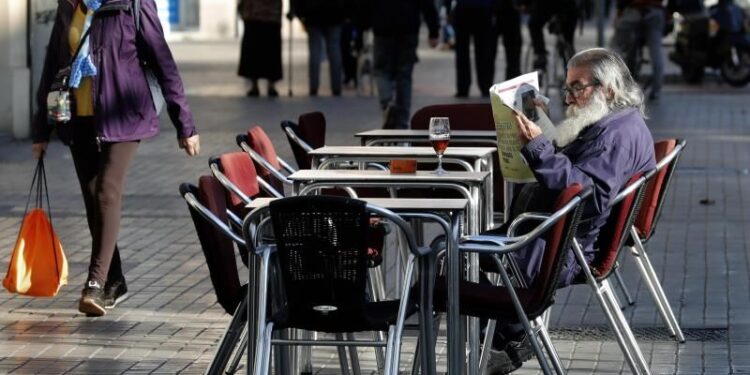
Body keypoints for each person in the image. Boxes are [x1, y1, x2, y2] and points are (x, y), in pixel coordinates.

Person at [486, 48, 656, 373]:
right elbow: (583, 172)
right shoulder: (615, 122)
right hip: (552, 236)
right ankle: (503, 336)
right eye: (567, 88)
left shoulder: (614, 137)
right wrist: (545, 130)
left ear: (609, 89)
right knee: (459, 254)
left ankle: (503, 340)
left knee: (450, 256)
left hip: (561, 247)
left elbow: (586, 197)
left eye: (577, 87)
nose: (570, 98)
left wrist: (538, 148)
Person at [31, 0, 200, 317]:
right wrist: (41, 128)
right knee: (93, 200)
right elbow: (53, 66)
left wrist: (185, 123)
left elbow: (163, 62)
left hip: (123, 115)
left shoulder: (132, 4)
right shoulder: (69, 6)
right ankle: (115, 279)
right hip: (78, 117)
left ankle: (95, 283)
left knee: (107, 191)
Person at [368, 0, 440, 129]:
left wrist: (363, 22)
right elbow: (427, 4)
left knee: (381, 71)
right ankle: (402, 121)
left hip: (382, 25)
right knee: (404, 75)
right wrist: (433, 30)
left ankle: (387, 103)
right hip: (408, 26)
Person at [610, 0, 667, 101]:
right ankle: (656, 89)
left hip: (633, 10)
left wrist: (619, 12)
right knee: (656, 50)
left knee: (616, 45)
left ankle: (615, 83)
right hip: (655, 11)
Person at [291, 0, 347, 96]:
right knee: (334, 49)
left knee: (315, 51)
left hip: (313, 14)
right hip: (335, 13)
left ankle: (314, 86)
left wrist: (298, 11)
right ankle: (336, 86)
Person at [446, 0, 495, 97]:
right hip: (483, 9)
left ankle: (463, 87)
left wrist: (448, 9)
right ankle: (485, 86)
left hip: (463, 8)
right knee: (483, 51)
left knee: (462, 52)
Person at [238, 0, 283, 97]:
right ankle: (267, 85)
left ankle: (258, 85)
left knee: (256, 51)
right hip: (266, 16)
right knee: (267, 51)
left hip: (257, 15)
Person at [520, 0, 581, 71]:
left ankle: (540, 54)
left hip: (550, 6)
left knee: (534, 24)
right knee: (567, 39)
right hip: (566, 7)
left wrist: (524, 4)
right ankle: (571, 63)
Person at [491, 0, 523, 81]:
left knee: (513, 51)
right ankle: (513, 81)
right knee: (513, 52)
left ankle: (512, 80)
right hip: (507, 9)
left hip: (500, 8)